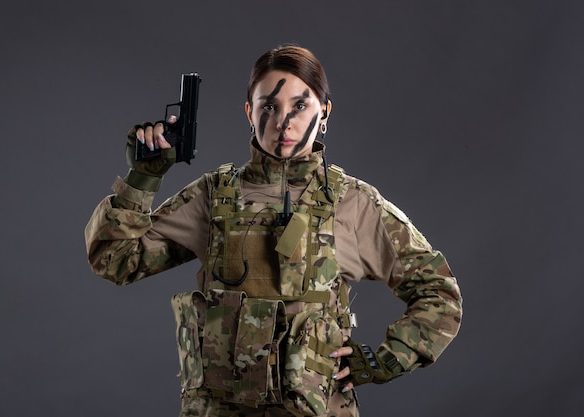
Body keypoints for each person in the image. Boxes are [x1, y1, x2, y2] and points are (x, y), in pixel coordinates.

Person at [85, 45, 463, 417]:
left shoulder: (353, 203)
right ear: (249, 112)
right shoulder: (213, 196)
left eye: (300, 106)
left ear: (325, 112)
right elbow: (115, 260)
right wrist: (142, 179)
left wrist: (386, 361)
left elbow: (439, 294)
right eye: (270, 106)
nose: (284, 122)